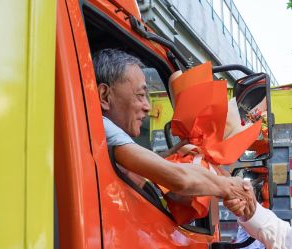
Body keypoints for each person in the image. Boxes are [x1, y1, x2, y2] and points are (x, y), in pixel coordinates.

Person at [92, 48, 251, 201]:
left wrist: (169, 155)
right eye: (140, 95)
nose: (148, 107)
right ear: (104, 96)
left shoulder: (100, 137)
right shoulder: (103, 126)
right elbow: (179, 179)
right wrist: (229, 187)